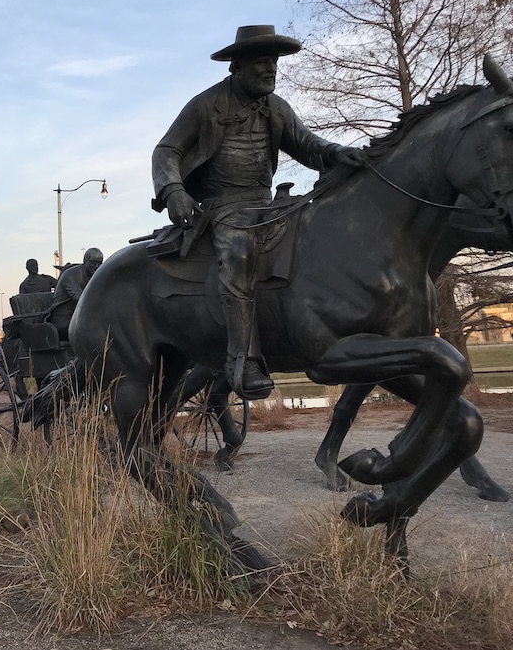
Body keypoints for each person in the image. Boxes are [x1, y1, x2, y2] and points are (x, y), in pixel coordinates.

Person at [151, 24, 367, 400]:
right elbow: (166, 151)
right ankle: (243, 360)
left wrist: (335, 153)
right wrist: (174, 192)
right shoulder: (205, 105)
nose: (271, 70)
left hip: (268, 205)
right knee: (239, 254)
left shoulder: (277, 108)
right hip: (225, 206)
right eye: (262, 63)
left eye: (274, 63)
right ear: (237, 65)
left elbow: (307, 144)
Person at [47, 248, 103, 340]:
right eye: (93, 262)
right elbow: (80, 299)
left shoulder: (95, 276)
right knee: (94, 327)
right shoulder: (70, 275)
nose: (96, 266)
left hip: (80, 319)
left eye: (99, 263)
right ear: (85, 261)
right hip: (63, 321)